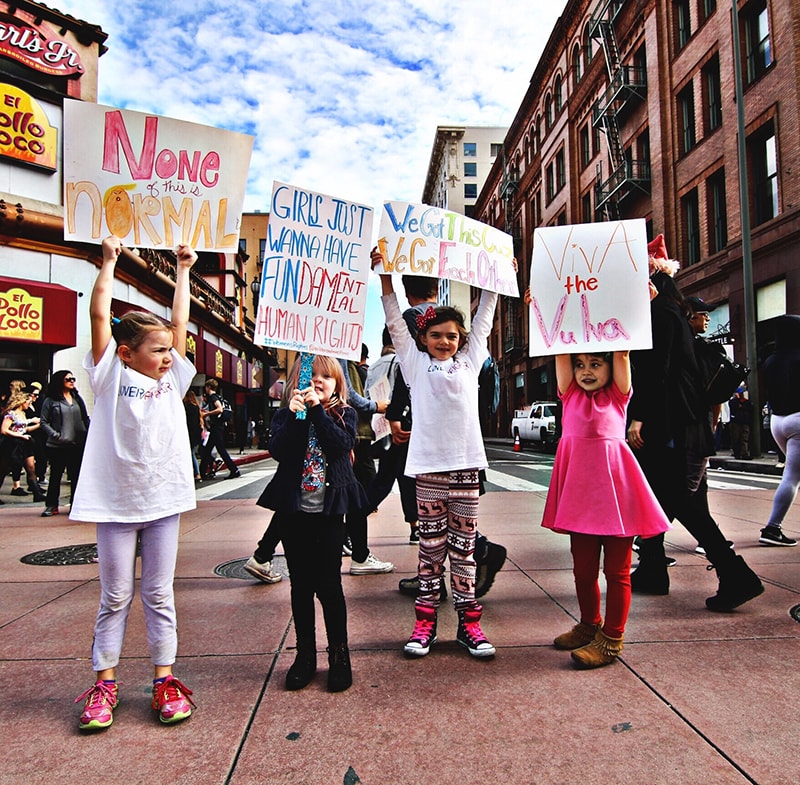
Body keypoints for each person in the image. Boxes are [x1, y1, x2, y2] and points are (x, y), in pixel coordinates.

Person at [70, 236, 198, 731]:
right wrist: (108, 262)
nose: (168, 355)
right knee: (115, 596)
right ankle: (105, 683)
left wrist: (183, 271)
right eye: (158, 350)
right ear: (126, 353)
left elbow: (180, 323)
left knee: (159, 594)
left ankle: (165, 680)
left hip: (163, 501)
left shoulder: (173, 379)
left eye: (169, 350)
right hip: (115, 504)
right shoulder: (108, 375)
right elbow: (98, 314)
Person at [372, 246, 498, 659]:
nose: (445, 341)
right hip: (428, 470)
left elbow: (484, 318)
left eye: (452, 336)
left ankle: (469, 624)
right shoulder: (414, 363)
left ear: (462, 340)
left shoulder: (470, 361)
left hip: (465, 470)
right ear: (423, 339)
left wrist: (495, 279)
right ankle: (424, 623)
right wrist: (385, 275)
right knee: (430, 551)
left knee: (463, 551)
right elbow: (395, 318)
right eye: (436, 335)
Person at [627, 236, 763, 611]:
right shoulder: (670, 312)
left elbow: (657, 372)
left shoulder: (661, 314)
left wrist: (639, 416)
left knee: (680, 503)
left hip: (672, 426)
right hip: (682, 425)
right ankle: (653, 568)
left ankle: (734, 574)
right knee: (662, 498)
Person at [542, 351, 670, 668]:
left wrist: (623, 335)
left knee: (617, 572)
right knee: (583, 570)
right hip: (580, 499)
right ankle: (589, 624)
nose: (586, 371)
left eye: (596, 364)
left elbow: (622, 353)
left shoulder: (617, 395)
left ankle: (612, 637)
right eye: (580, 365)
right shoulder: (570, 394)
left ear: (611, 368)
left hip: (616, 497)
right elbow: (560, 351)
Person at [256, 354, 368, 692]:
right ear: (296, 382)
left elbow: (340, 445)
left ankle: (339, 653)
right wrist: (296, 416)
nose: (317, 380)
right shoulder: (286, 415)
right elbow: (279, 450)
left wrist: (317, 410)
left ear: (338, 385)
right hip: (294, 513)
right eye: (311, 375)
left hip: (329, 514)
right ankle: (305, 654)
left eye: (326, 376)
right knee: (301, 586)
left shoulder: (345, 414)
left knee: (330, 586)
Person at [759, 314, 800, 546]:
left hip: (778, 420)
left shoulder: (770, 360)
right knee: (792, 476)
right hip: (798, 420)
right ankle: (772, 528)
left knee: (795, 473)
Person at [39, 370, 90, 516]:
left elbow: (85, 418)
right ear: (59, 381)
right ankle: (51, 505)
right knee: (56, 475)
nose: (72, 381)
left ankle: (75, 504)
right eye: (68, 379)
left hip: (77, 443)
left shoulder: (77, 398)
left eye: (73, 379)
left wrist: (89, 434)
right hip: (58, 445)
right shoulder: (51, 400)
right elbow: (43, 422)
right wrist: (55, 435)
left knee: (76, 475)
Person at [0, 388, 46, 501]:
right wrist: (20, 436)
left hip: (25, 442)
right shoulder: (11, 414)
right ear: (22, 402)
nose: (29, 404)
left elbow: (25, 429)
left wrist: (40, 425)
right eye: (28, 402)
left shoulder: (23, 414)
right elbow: (4, 430)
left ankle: (36, 493)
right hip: (12, 443)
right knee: (5, 469)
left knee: (31, 467)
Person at [199, 378, 240, 479]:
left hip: (216, 426)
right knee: (208, 449)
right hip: (218, 426)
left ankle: (234, 470)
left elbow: (219, 409)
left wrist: (207, 414)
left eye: (206, 387)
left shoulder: (213, 397)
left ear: (208, 387)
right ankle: (202, 473)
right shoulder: (218, 396)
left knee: (220, 449)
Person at [183, 391, 203, 482]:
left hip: (190, 434)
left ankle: (197, 473)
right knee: (192, 453)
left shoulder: (187, 408)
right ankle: (196, 473)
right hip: (196, 434)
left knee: (191, 454)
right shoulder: (196, 408)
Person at [729, 387, 753, 460]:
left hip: (744, 422)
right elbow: (734, 407)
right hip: (736, 422)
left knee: (744, 438)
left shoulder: (747, 402)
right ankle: (737, 453)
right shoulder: (733, 402)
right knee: (736, 438)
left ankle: (744, 453)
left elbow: (749, 408)